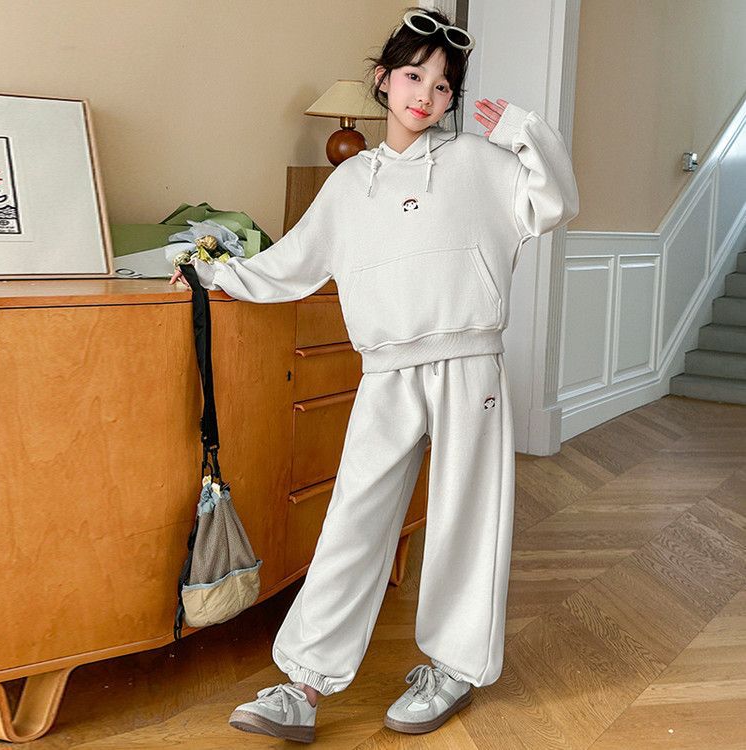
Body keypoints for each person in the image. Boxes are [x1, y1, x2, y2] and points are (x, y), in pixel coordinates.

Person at [170, 6, 579, 744]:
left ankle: (452, 670)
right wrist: (212, 273)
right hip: (386, 370)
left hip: (470, 365)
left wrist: (524, 130)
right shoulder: (350, 183)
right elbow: (292, 263)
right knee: (354, 518)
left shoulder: (479, 163)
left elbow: (555, 202)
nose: (426, 95)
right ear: (385, 80)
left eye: (443, 86)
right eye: (414, 76)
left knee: (467, 518)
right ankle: (303, 683)